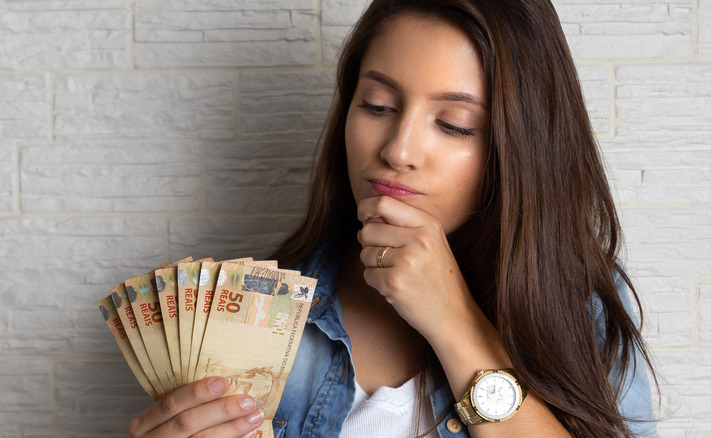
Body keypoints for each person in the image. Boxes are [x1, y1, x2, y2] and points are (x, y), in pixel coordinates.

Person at [129, 0, 658, 436]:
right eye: (377, 106)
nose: (398, 150)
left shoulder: (581, 310)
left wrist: (455, 323)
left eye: (454, 125)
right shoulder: (236, 315)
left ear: (519, 146)